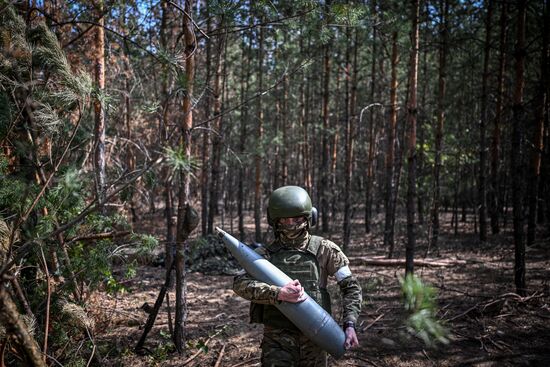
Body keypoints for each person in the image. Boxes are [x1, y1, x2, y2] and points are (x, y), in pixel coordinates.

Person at [233, 186, 362, 367]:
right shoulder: (264, 254)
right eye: (285, 219)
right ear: (275, 220)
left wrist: (350, 324)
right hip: (277, 340)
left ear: (309, 218)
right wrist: (276, 293)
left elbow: (351, 287)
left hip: (316, 338)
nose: (290, 223)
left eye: (296, 218)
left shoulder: (325, 249)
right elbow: (239, 283)